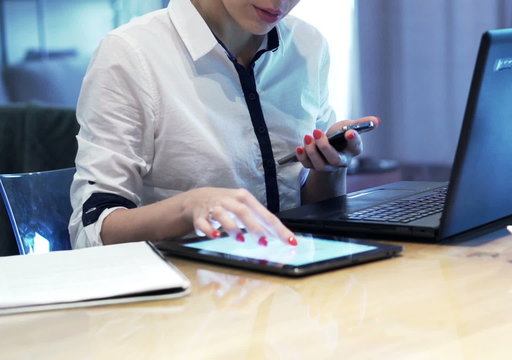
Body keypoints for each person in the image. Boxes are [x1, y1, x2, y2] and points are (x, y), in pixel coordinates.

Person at [68, 0, 380, 249]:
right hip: (186, 300)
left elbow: (314, 217)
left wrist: (329, 166)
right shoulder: (131, 53)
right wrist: (189, 206)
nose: (282, 3)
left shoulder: (308, 45)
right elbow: (94, 230)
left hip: (292, 282)